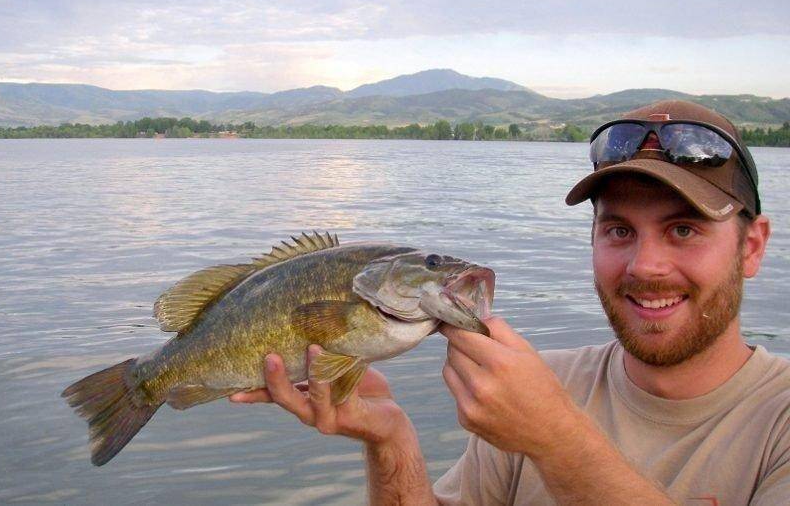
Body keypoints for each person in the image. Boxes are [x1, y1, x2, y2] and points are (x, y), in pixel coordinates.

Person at [229, 100, 789, 505]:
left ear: (752, 246)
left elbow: (552, 433)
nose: (645, 265)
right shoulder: (544, 386)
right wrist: (389, 438)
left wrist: (556, 442)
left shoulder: (778, 422)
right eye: (618, 231)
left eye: (684, 231)